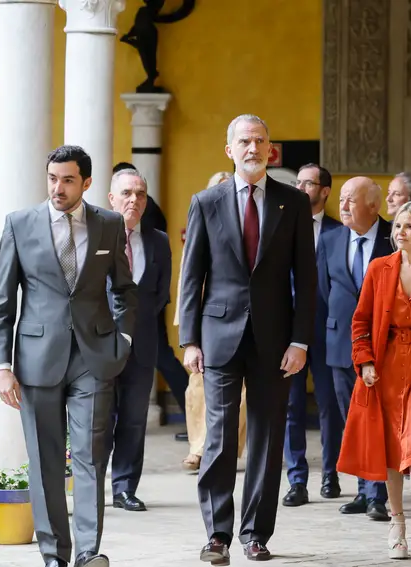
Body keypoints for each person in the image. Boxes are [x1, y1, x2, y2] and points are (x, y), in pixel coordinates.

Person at [0, 145, 138, 567]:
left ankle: (89, 553)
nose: (58, 187)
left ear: (86, 182)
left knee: (91, 455)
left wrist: (123, 340)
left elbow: (125, 289)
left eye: (68, 179)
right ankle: (55, 555)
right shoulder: (19, 224)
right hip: (37, 359)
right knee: (46, 462)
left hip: (95, 357)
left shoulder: (109, 225)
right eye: (53, 178)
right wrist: (2, 366)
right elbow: (3, 302)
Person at [179, 114, 316, 563]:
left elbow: (307, 279)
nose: (253, 148)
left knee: (267, 437)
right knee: (218, 439)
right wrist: (190, 340)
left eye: (260, 141)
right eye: (244, 141)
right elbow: (192, 274)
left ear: (270, 149)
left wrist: (300, 341)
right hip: (219, 336)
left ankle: (255, 533)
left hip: (276, 341)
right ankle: (217, 534)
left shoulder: (291, 203)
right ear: (230, 149)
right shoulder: (206, 201)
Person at [338, 200, 411, 562]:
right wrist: (365, 362)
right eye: (397, 226)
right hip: (386, 366)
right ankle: (397, 525)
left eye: (408, 226)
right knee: (392, 447)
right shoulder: (379, 269)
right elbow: (359, 323)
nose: (400, 233)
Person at [316, 176, 393, 520]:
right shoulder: (331, 239)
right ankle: (364, 490)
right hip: (340, 344)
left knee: (381, 419)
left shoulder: (395, 237)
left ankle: (379, 495)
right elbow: (323, 289)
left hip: (385, 346)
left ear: (374, 206)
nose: (343, 206)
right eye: (342, 199)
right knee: (354, 420)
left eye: (351, 200)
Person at [104, 168, 172, 513]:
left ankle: (125, 488)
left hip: (142, 345)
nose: (135, 199)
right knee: (98, 419)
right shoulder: (95, 237)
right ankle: (91, 487)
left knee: (133, 418)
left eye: (141, 194)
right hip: (99, 346)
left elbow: (160, 294)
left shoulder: (158, 240)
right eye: (127, 193)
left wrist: (136, 325)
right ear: (111, 198)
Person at [178, 171, 249, 474]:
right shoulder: (204, 214)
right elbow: (190, 275)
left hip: (245, 320)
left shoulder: (250, 223)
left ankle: (228, 446)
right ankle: (198, 447)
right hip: (208, 322)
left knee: (241, 394)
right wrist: (188, 332)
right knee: (197, 387)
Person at [282, 162, 343, 507]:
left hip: (326, 331)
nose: (301, 189)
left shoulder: (337, 231)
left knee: (328, 405)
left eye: (309, 184)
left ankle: (331, 472)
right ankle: (297, 479)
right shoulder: (283, 227)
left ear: (324, 191)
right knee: (290, 406)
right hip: (289, 332)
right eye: (298, 182)